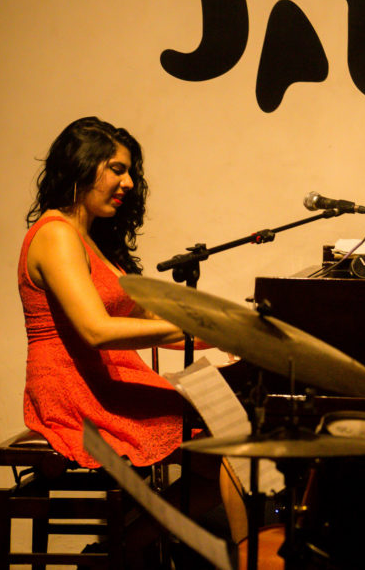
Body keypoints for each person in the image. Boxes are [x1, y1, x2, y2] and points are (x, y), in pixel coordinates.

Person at [19, 116, 246, 552]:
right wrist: (201, 324)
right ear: (80, 166)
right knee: (232, 442)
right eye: (117, 169)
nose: (128, 182)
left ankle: (119, 551)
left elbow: (154, 326)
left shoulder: (93, 243)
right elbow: (97, 330)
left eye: (131, 172)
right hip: (73, 388)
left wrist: (232, 334)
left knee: (224, 448)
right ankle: (246, 557)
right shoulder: (55, 235)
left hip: (106, 379)